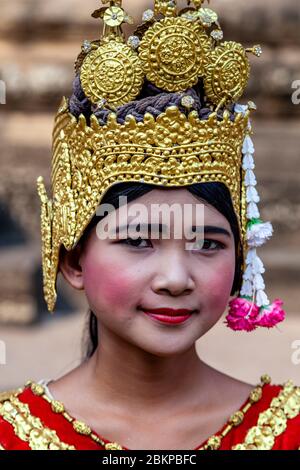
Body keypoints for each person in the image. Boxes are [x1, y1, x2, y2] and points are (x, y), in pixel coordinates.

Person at [0, 0, 299, 451]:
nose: (176, 279)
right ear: (73, 258)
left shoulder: (290, 430)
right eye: (138, 240)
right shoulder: (9, 436)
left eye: (208, 244)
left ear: (241, 257)